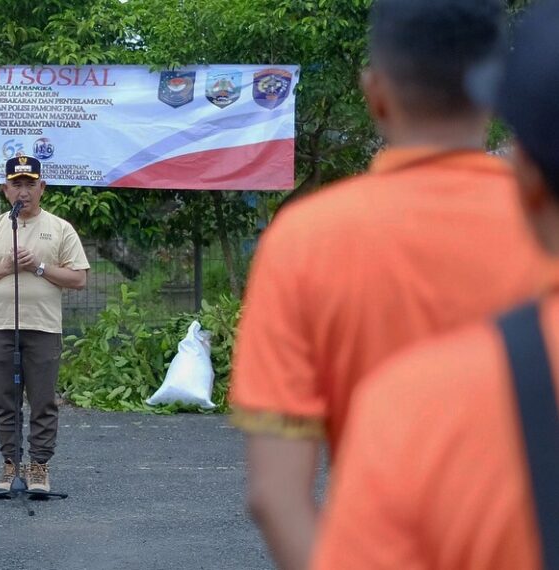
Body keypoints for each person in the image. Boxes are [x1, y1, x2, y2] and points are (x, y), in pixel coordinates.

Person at [227, 0, 548, 567]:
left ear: (375, 92)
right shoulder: (541, 224)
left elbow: (276, 495)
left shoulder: (304, 240)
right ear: (497, 92)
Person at [0, 155, 89, 493]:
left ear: (42, 187)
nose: (23, 191)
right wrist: (5, 267)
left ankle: (39, 467)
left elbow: (78, 279)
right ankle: (11, 465)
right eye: (16, 184)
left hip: (44, 328)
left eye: (30, 184)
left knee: (43, 399)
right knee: (5, 399)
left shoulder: (61, 228)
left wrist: (40, 267)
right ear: (5, 190)